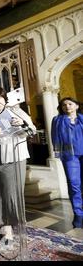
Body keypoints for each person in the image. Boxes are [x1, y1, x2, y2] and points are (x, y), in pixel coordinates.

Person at [0, 86, 36, 244]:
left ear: (5, 101)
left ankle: (8, 225)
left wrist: (22, 124)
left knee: (10, 192)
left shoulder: (15, 112)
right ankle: (4, 221)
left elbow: (32, 130)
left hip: (13, 157)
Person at [51, 97, 83, 228]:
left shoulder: (82, 119)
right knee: (74, 185)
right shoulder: (57, 120)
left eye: (70, 104)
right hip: (70, 156)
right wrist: (59, 154)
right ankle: (78, 215)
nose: (67, 106)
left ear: (76, 106)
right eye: (64, 105)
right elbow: (54, 137)